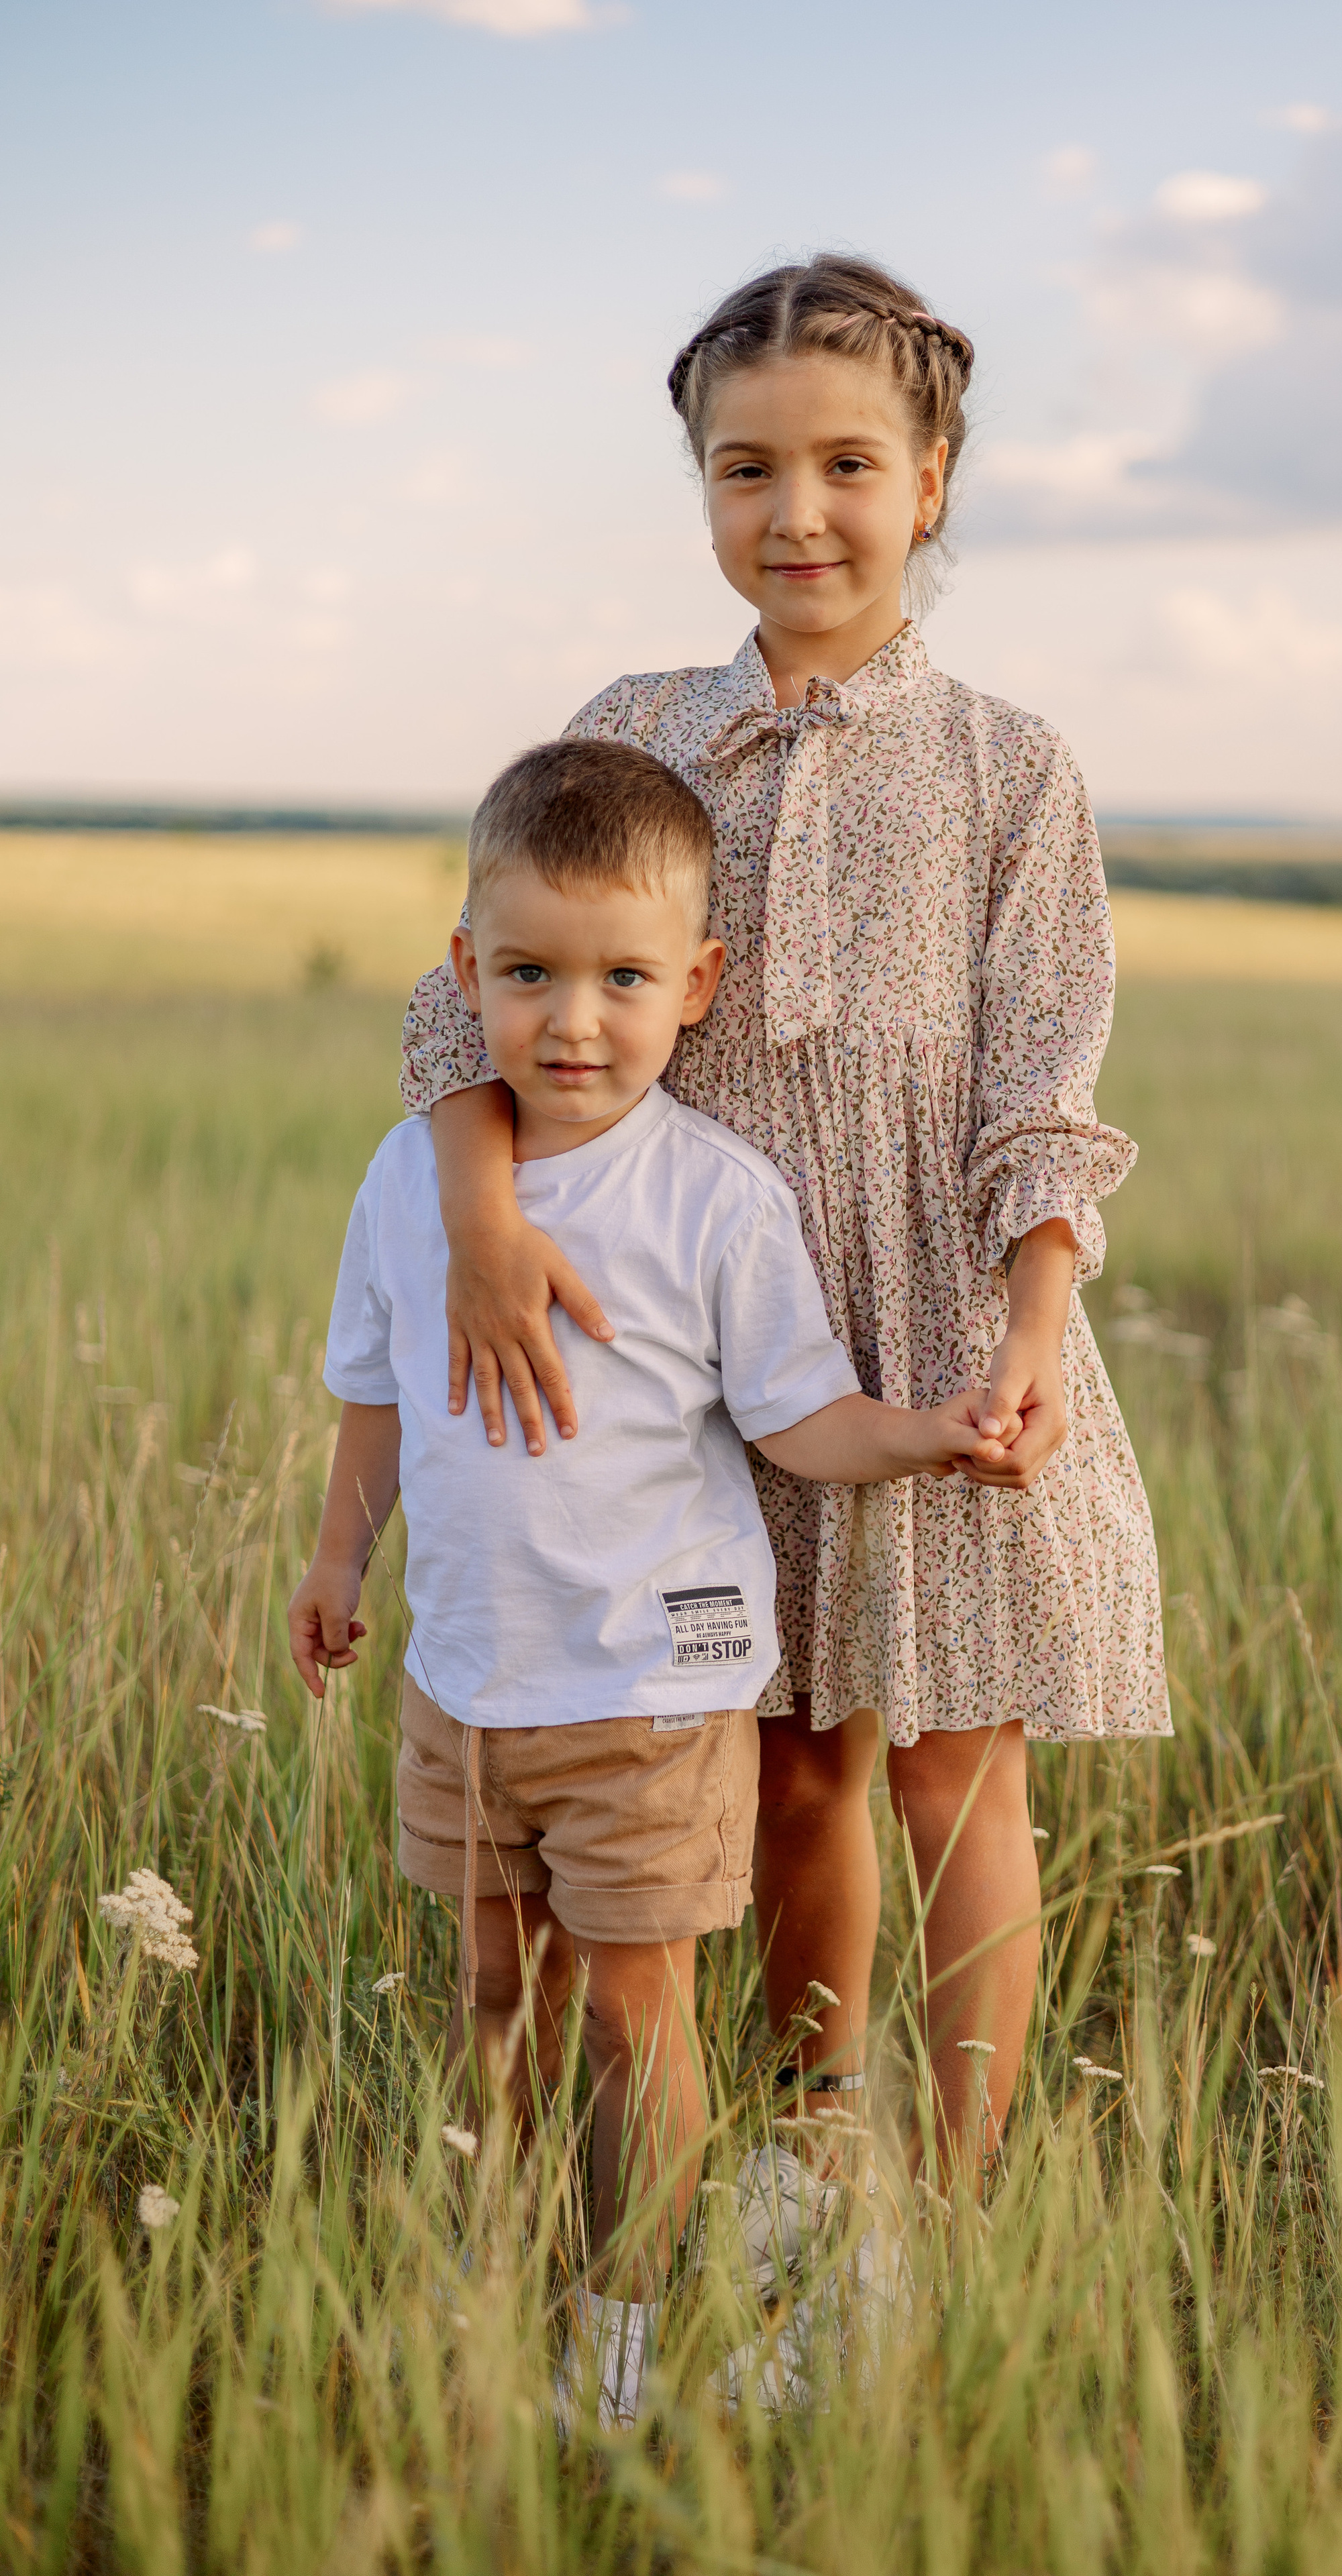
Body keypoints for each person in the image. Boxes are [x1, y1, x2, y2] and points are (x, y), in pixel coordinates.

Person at [399, 252, 1173, 2178]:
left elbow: (1042, 1083)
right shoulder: (639, 724)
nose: (796, 512)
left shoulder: (1011, 766)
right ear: (703, 490)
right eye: (746, 470)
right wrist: (487, 1228)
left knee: (952, 1761)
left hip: (936, 1313)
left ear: (931, 481)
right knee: (795, 1754)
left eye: (846, 463)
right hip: (692, 1333)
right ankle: (819, 2153)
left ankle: (968, 2187)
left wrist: (1028, 1332)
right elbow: (459, 1009)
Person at [288, 733, 1011, 2423]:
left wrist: (923, 1436)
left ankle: (618, 2335)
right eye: (528, 972)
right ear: (465, 972)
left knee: (632, 2016)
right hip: (463, 1676)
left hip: (651, 1691)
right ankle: (519, 2272)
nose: (572, 1020)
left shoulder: (714, 1197)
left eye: (623, 977)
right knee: (496, 2003)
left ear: (699, 985)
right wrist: (340, 1555)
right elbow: (376, 1392)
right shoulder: (413, 1179)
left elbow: (798, 1419)